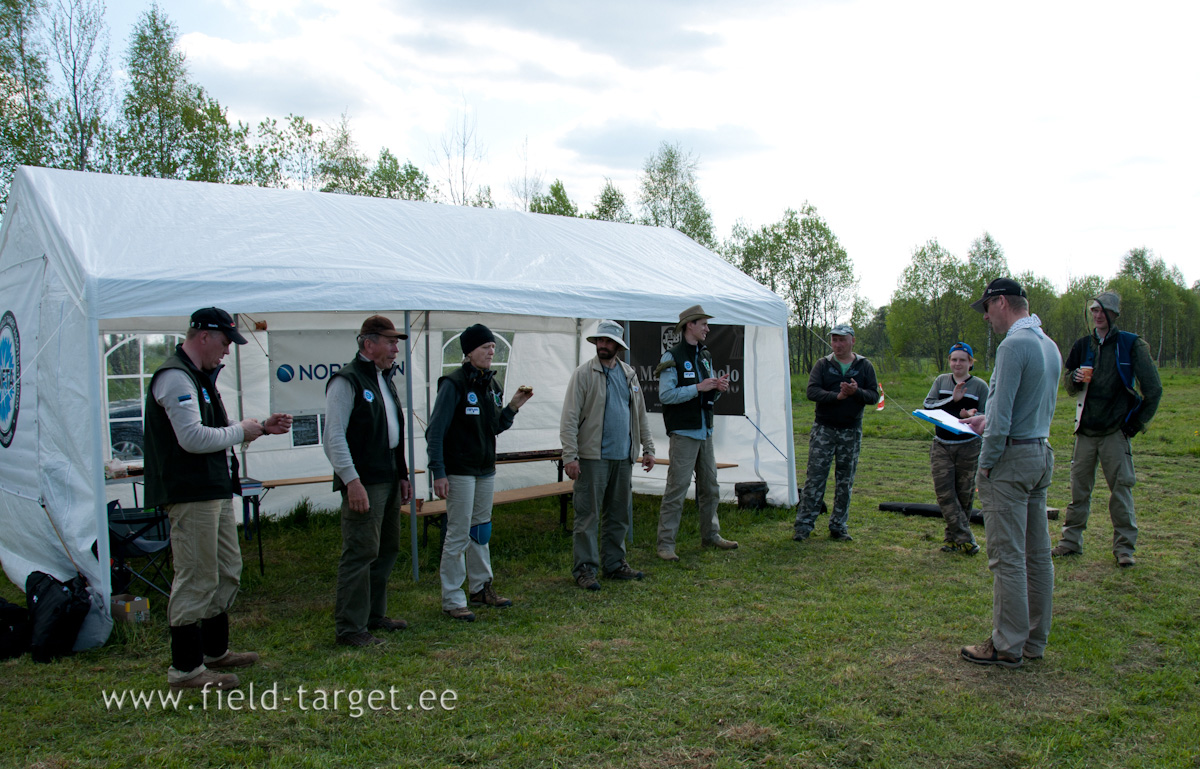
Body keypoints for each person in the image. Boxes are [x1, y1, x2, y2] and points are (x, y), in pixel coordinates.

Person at [144, 307, 292, 690]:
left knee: (227, 569)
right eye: (226, 342)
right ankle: (185, 669)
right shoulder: (175, 377)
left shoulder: (200, 377)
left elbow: (214, 429)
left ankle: (214, 652)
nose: (227, 351)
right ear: (204, 336)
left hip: (212, 488)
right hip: (191, 492)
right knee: (196, 576)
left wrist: (257, 427)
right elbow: (192, 438)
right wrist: (243, 432)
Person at [959, 278, 1061, 668]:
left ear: (1002, 302)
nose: (986, 317)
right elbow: (1022, 408)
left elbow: (1002, 418)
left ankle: (1006, 644)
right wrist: (988, 420)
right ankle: (1034, 640)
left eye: (987, 308)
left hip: (1011, 461)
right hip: (1039, 451)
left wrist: (985, 463)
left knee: (1007, 556)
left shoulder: (1013, 345)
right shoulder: (1047, 345)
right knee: (1037, 554)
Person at [427, 324, 533, 621]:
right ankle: (452, 599)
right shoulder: (453, 383)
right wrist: (438, 470)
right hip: (459, 470)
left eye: (493, 346)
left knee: (480, 531)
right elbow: (435, 432)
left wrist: (512, 406)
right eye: (486, 346)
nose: (492, 351)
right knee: (458, 534)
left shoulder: (490, 384)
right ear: (469, 351)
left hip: (485, 469)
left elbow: (494, 426)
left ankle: (481, 587)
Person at [1053, 291, 1162, 568]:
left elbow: (1154, 389)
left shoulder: (1132, 345)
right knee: (1079, 491)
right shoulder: (1082, 345)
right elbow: (1067, 386)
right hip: (1085, 431)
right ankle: (1070, 542)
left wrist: (1134, 425)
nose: (1098, 315)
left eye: (1103, 311)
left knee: (1121, 491)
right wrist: (1075, 379)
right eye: (1094, 310)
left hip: (1115, 431)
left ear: (1114, 314)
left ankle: (1124, 549)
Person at [325, 315, 413, 647]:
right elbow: (333, 438)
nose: (395, 350)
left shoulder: (383, 379)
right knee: (360, 552)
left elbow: (394, 433)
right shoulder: (346, 382)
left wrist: (402, 474)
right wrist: (352, 481)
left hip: (388, 477)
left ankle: (374, 615)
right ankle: (350, 628)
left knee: (386, 549)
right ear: (368, 343)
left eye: (397, 343)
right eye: (391, 342)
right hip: (364, 480)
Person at [560, 320, 656, 590]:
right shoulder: (583, 374)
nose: (603, 345)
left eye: (608, 342)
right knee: (587, 515)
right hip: (592, 458)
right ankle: (585, 570)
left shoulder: (629, 375)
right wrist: (570, 455)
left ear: (618, 346)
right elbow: (569, 418)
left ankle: (614, 564)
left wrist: (648, 448)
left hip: (623, 457)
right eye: (600, 341)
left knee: (618, 514)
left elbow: (639, 415)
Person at [655, 305, 737, 561]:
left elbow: (707, 391)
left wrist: (717, 387)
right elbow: (665, 395)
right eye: (703, 323)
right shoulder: (671, 356)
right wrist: (698, 387)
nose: (707, 328)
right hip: (684, 432)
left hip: (705, 430)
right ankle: (665, 545)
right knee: (676, 489)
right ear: (690, 325)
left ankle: (710, 535)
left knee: (710, 487)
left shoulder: (705, 355)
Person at [793, 324, 879, 542]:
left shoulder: (864, 366)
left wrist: (855, 392)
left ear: (852, 341)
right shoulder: (823, 364)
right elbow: (812, 391)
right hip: (824, 429)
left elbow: (873, 397)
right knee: (815, 479)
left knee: (844, 481)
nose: (838, 344)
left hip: (850, 431)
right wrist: (836, 397)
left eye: (842, 340)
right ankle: (803, 526)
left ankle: (838, 526)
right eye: (834, 340)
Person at [923, 342, 988, 555]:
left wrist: (971, 416)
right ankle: (966, 538)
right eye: (954, 359)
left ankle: (952, 540)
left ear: (970, 362)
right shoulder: (941, 381)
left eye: (962, 359)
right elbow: (928, 405)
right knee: (944, 493)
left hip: (968, 446)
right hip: (942, 444)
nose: (957, 363)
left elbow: (988, 415)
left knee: (964, 495)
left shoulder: (980, 386)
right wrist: (953, 399)